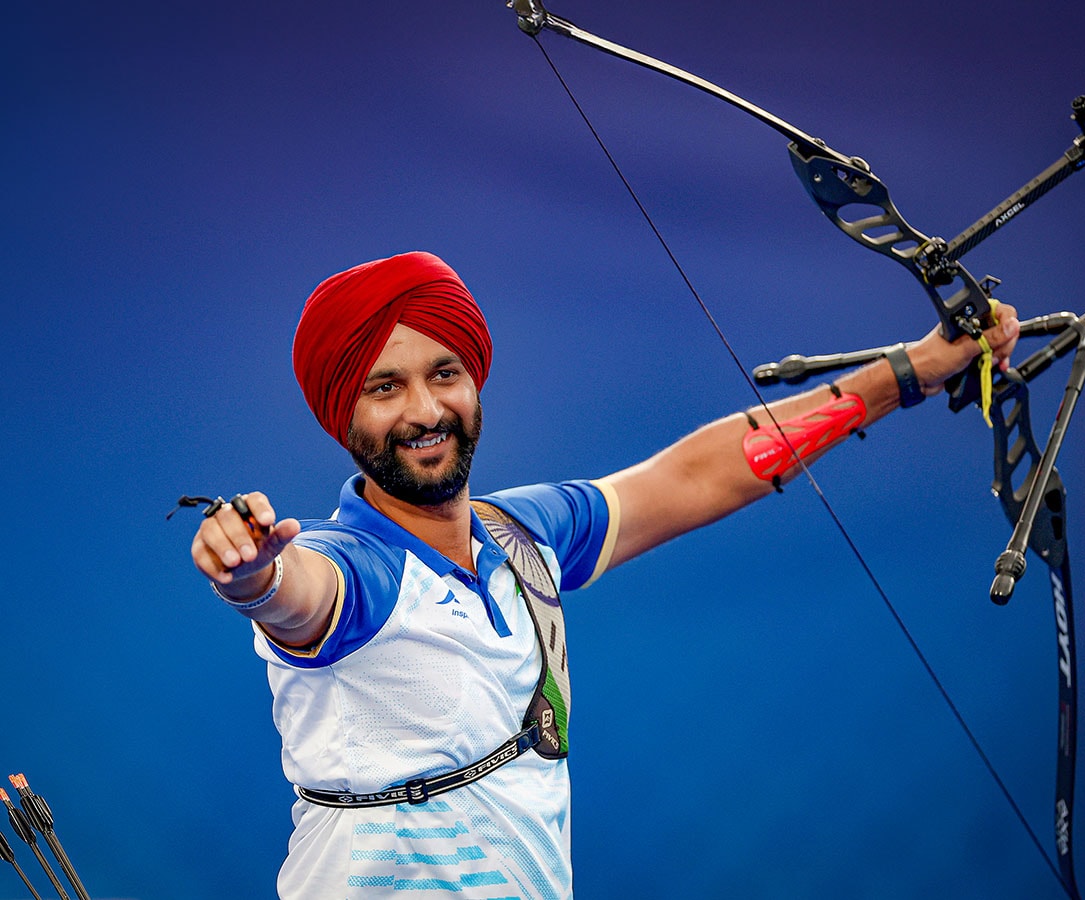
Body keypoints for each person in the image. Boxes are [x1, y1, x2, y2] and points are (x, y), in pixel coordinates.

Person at [190, 251, 1019, 899]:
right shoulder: (353, 571)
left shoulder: (523, 535)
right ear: (346, 416)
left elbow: (695, 477)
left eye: (445, 373)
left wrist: (911, 371)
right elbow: (296, 596)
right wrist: (252, 575)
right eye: (385, 387)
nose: (425, 410)